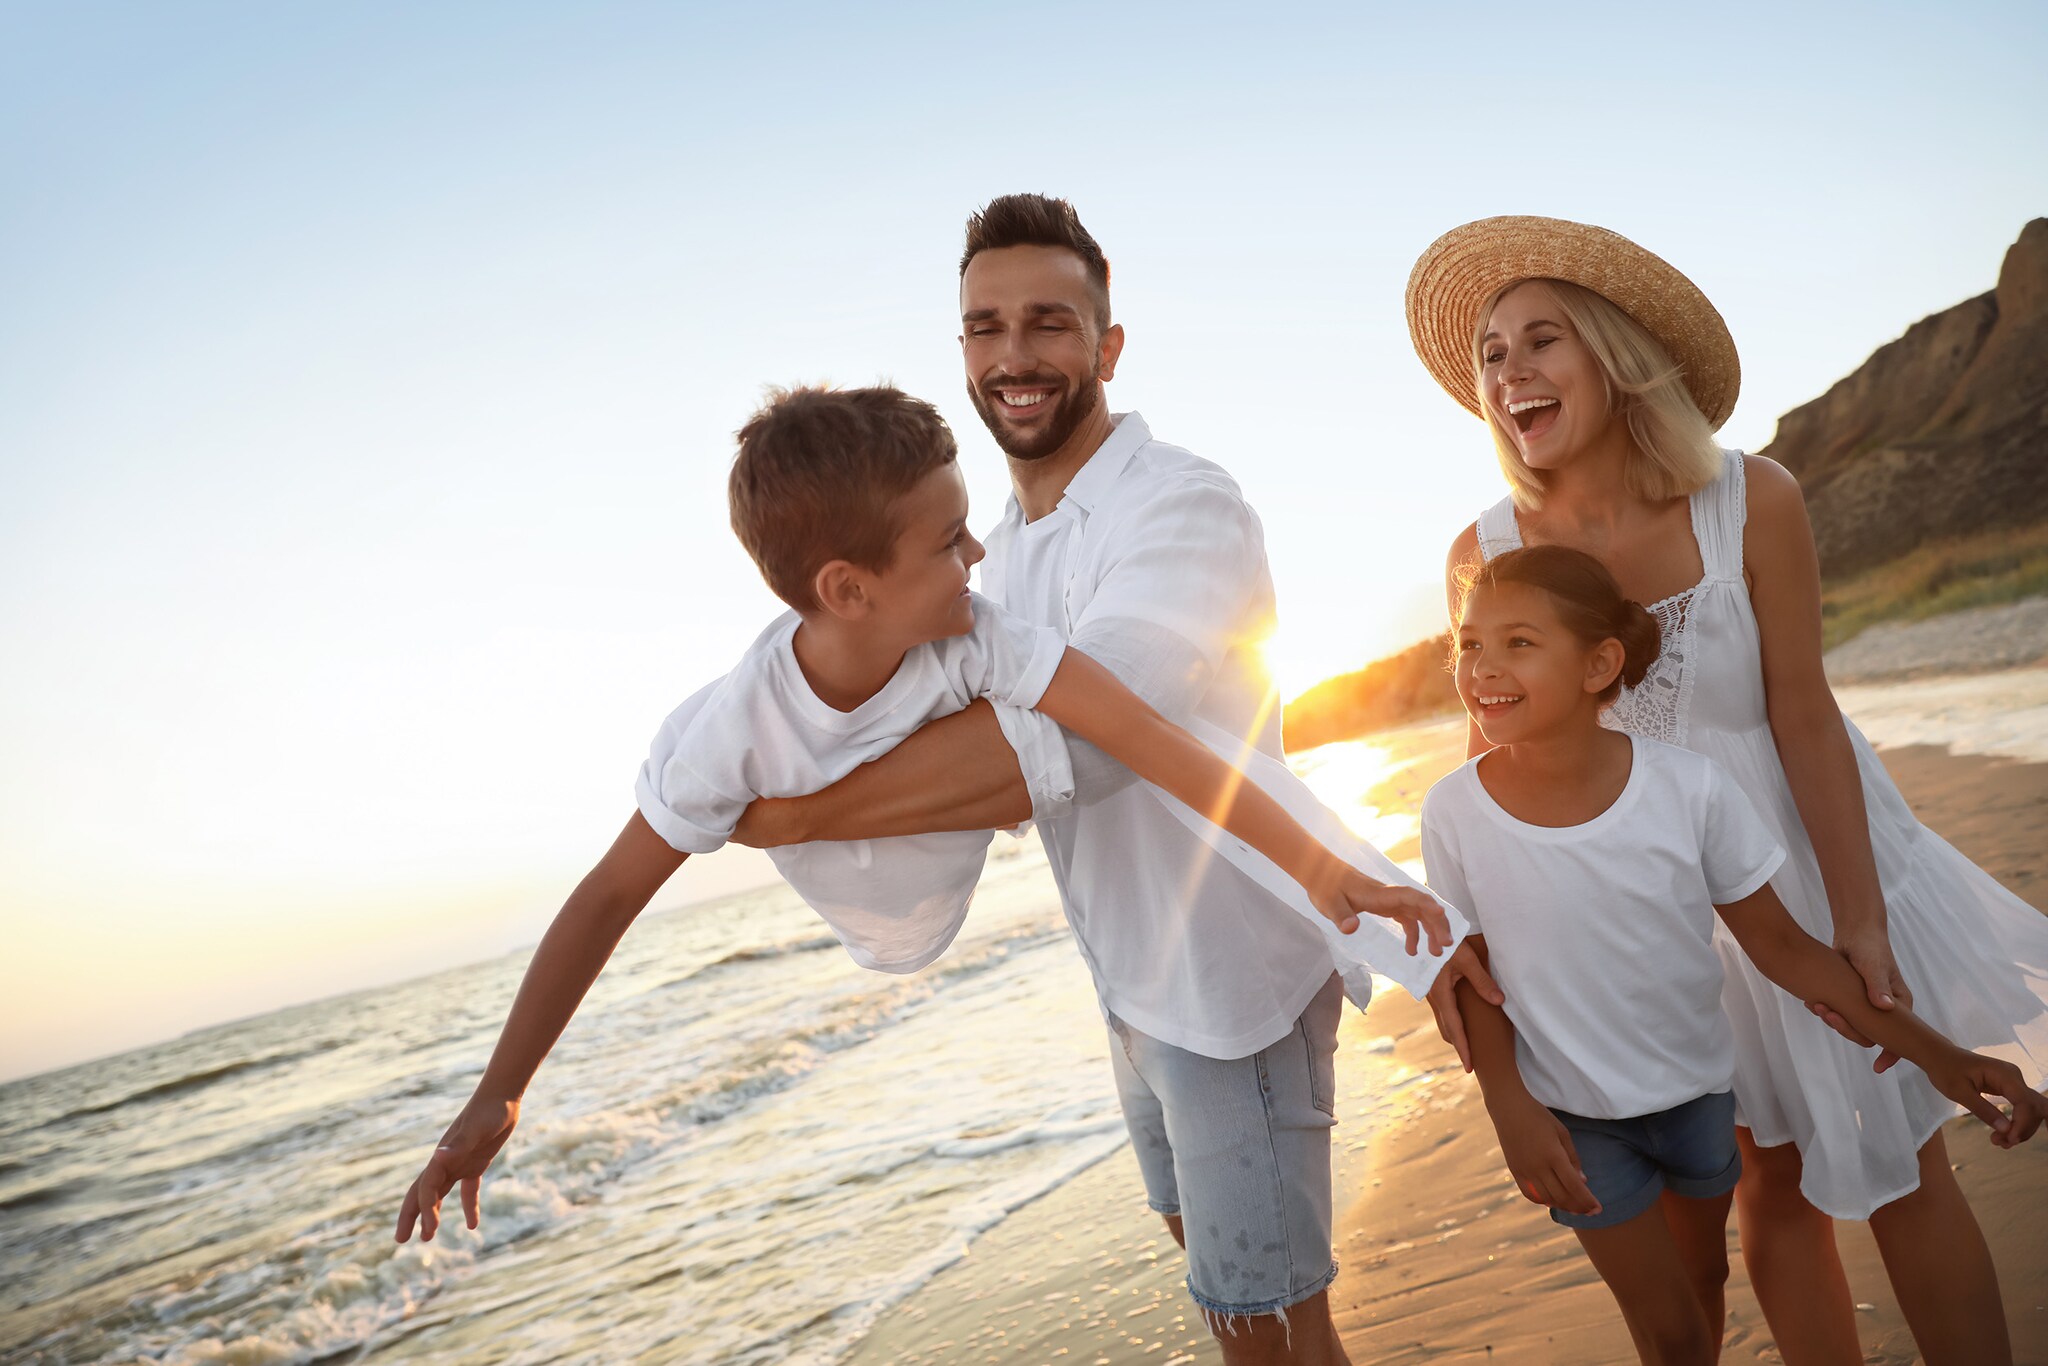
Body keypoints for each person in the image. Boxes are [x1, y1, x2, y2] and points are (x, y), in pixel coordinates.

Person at [394, 384, 1456, 1253]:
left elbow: (1144, 734)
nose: (978, 558)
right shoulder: (731, 737)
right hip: (872, 916)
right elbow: (608, 894)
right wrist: (500, 1094)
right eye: (950, 542)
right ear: (848, 589)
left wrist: (1323, 869)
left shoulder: (974, 634)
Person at [729, 195, 1495, 1365]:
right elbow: (908, 725)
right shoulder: (990, 552)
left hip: (1228, 980)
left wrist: (789, 816)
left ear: (1107, 344)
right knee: (1238, 1309)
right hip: (1129, 980)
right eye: (984, 327)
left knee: (1269, 1331)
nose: (1013, 355)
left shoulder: (1180, 504)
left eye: (1048, 322)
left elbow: (1075, 745)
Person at [1408, 215, 2048, 1365]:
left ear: (1613, 354)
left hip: (1808, 850)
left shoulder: (1749, 497)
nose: (1507, 374)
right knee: (1769, 1179)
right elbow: (1495, 771)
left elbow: (1801, 711)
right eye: (1490, 355)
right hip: (1652, 908)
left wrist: (1856, 914)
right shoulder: (1483, 547)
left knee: (1906, 1159)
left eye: (1539, 340)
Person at [1422, 543, 2046, 1366]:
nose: (1483, 667)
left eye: (1519, 643)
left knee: (1703, 1279)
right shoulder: (1453, 812)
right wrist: (1510, 1107)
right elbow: (1473, 974)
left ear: (1599, 664)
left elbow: (1786, 949)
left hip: (1700, 1101)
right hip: (1571, 1119)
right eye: (1469, 643)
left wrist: (1941, 1056)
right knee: (1674, 1333)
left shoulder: (1689, 789)